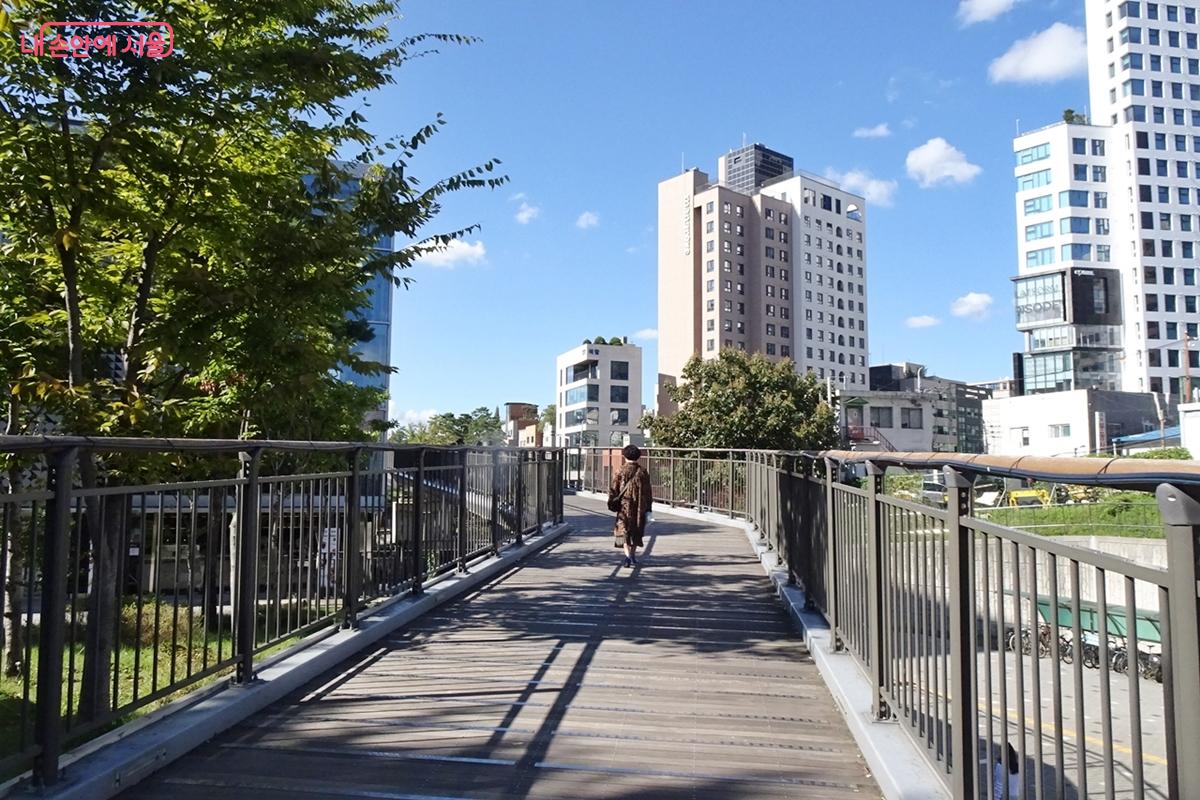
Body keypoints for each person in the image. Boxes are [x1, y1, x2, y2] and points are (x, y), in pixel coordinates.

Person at [608, 444, 653, 567]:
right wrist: (649, 507)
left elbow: (614, 489)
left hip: (624, 506)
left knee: (624, 530)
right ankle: (632, 555)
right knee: (637, 530)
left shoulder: (620, 471)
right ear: (638, 456)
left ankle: (627, 556)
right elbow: (648, 491)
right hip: (639, 506)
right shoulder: (643, 472)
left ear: (624, 455)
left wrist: (612, 502)